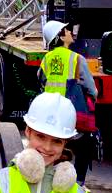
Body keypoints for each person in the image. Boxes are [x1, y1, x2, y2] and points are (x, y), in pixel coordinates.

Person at [40, 20, 98, 183]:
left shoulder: (47, 59)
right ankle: (79, 181)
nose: (70, 32)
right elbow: (91, 89)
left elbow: (41, 80)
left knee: (54, 148)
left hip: (50, 114)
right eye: (66, 31)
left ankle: (51, 178)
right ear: (59, 36)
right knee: (85, 144)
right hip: (71, 115)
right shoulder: (76, 59)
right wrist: (92, 98)